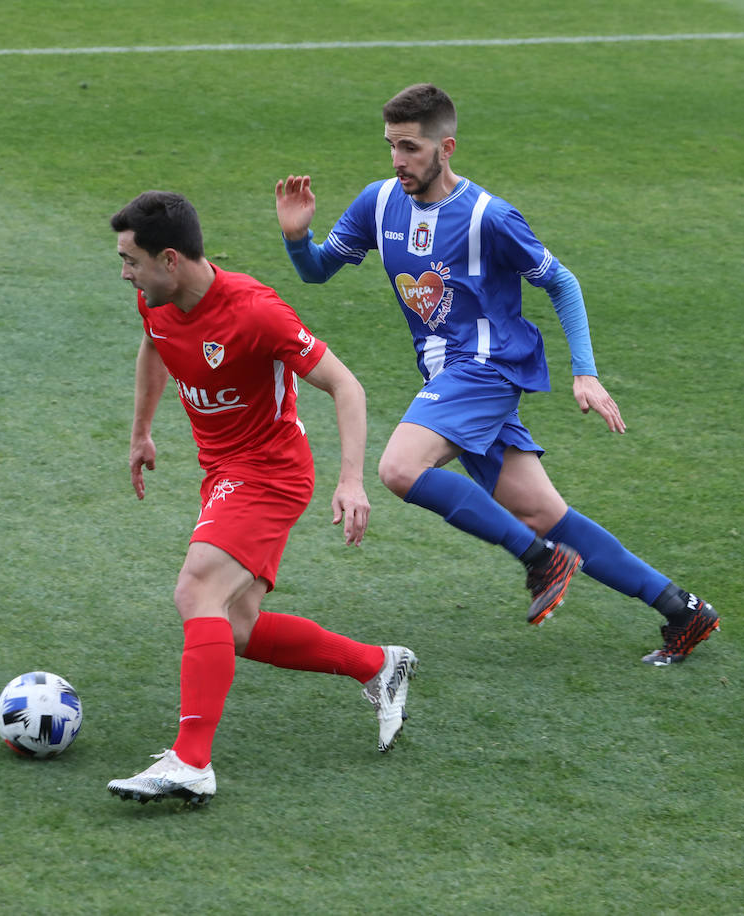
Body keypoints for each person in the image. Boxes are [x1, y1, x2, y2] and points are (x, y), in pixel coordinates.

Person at [274, 83, 719, 666]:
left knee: (400, 468)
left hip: (485, 369)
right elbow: (318, 271)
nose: (397, 160)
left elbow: (561, 282)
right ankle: (682, 610)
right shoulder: (379, 202)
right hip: (451, 376)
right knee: (542, 513)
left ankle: (541, 561)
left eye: (410, 147)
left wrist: (584, 373)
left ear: (446, 147)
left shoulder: (489, 216)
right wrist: (296, 236)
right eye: (391, 146)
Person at [104, 191, 417, 808]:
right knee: (236, 627)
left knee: (196, 591)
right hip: (221, 472)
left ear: (170, 259)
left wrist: (350, 480)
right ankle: (378, 665)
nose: (125, 274)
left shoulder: (255, 311)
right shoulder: (156, 298)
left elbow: (346, 386)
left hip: (270, 472)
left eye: (131, 261)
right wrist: (141, 432)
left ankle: (191, 762)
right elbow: (154, 345)